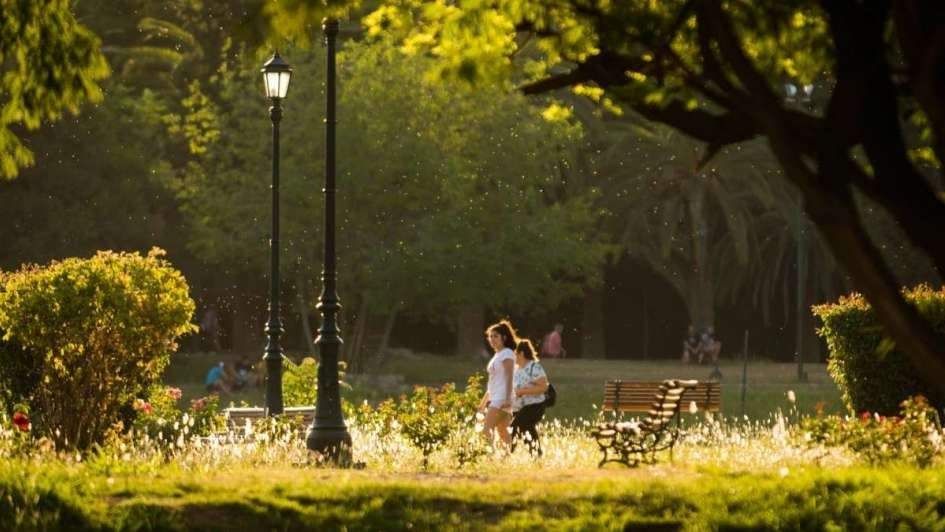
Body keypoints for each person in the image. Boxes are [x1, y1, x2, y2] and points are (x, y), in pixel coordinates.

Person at [478, 319, 518, 448]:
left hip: (502, 398)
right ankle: (506, 460)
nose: (492, 339)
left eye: (496, 336)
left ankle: (487, 458)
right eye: (490, 336)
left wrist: (507, 398)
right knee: (503, 432)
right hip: (496, 396)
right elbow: (492, 382)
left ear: (504, 338)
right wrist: (484, 401)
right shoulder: (497, 355)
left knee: (486, 429)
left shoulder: (507, 353)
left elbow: (509, 376)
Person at [511, 339, 549, 456]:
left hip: (535, 406)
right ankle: (536, 454)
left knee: (514, 427)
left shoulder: (534, 367)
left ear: (521, 353)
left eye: (515, 354)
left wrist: (523, 391)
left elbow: (543, 387)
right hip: (521, 408)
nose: (514, 357)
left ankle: (505, 454)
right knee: (525, 428)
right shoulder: (517, 370)